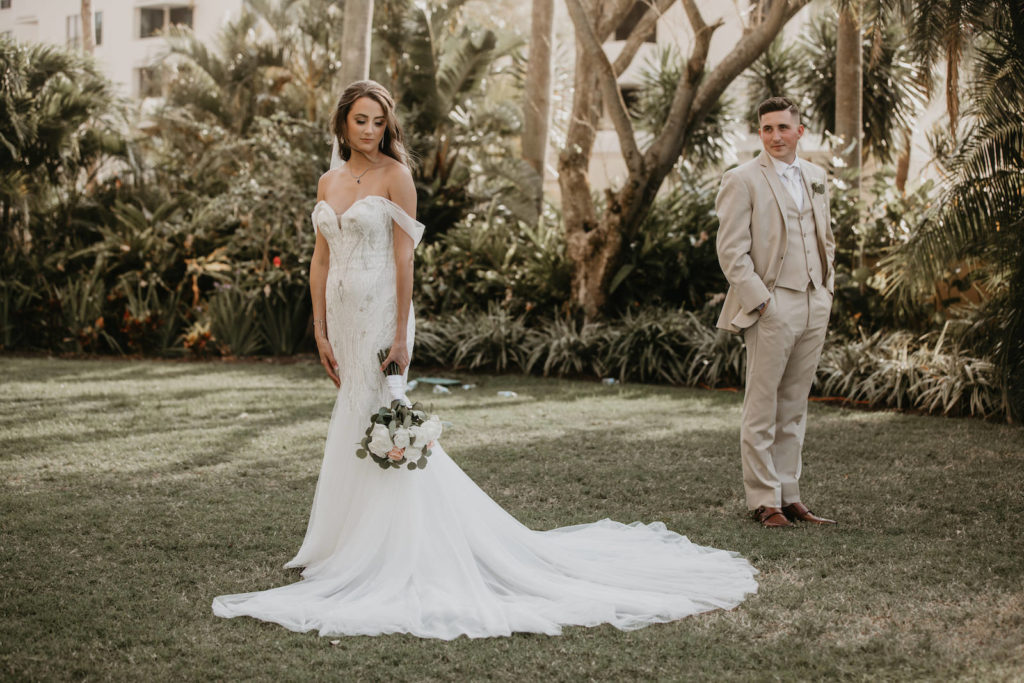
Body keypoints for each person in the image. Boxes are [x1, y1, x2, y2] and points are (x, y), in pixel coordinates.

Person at [212, 80, 758, 639]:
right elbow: (320, 262)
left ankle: (395, 544)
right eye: (361, 121)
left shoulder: (397, 178)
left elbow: (405, 264)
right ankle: (345, 541)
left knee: (385, 417)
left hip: (381, 313)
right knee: (355, 417)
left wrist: (400, 337)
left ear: (388, 126)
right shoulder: (328, 180)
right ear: (343, 124)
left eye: (379, 121)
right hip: (342, 319)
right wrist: (319, 327)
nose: (371, 131)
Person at [715, 96, 837, 529]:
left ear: (800, 131)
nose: (775, 136)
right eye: (767, 129)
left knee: (795, 405)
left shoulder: (817, 176)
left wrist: (825, 290)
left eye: (783, 128)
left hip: (813, 303)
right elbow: (731, 251)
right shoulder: (742, 179)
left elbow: (825, 236)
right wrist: (761, 301)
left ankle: (790, 495)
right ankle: (764, 500)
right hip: (772, 304)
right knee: (762, 406)